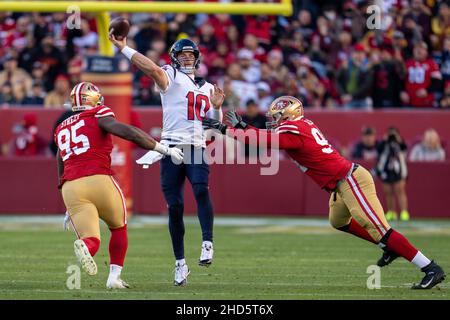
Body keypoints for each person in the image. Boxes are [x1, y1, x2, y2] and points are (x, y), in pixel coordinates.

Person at [203, 96, 446, 290]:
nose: (274, 120)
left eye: (277, 116)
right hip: (339, 184)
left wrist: (226, 130)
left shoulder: (292, 130)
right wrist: (242, 125)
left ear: (288, 115)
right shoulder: (299, 126)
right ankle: (388, 247)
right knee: (338, 221)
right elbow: (270, 137)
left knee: (381, 229)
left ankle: (430, 268)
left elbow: (267, 141)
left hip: (350, 180)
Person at [109, 33, 225, 286]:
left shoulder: (208, 88)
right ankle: (180, 264)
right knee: (175, 206)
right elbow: (151, 68)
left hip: (195, 146)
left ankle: (207, 242)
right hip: (170, 148)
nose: (187, 58)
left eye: (190, 54)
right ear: (173, 57)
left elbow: (215, 129)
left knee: (200, 189)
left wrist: (216, 107)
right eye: (182, 54)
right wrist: (124, 49)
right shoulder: (170, 77)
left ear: (197, 58)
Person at [54, 82, 183, 289]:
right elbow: (127, 132)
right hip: (98, 179)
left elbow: (60, 157)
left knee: (91, 239)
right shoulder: (98, 113)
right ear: (94, 99)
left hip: (71, 187)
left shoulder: (62, 125)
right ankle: (114, 277)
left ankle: (86, 246)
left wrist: (65, 194)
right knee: (118, 227)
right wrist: (161, 147)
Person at [375, 127, 410, 222]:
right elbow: (378, 150)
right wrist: (385, 140)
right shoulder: (384, 144)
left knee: (400, 191)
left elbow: (405, 148)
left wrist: (398, 140)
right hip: (386, 170)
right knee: (388, 192)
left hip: (398, 170)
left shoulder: (400, 144)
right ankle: (391, 212)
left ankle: (404, 212)